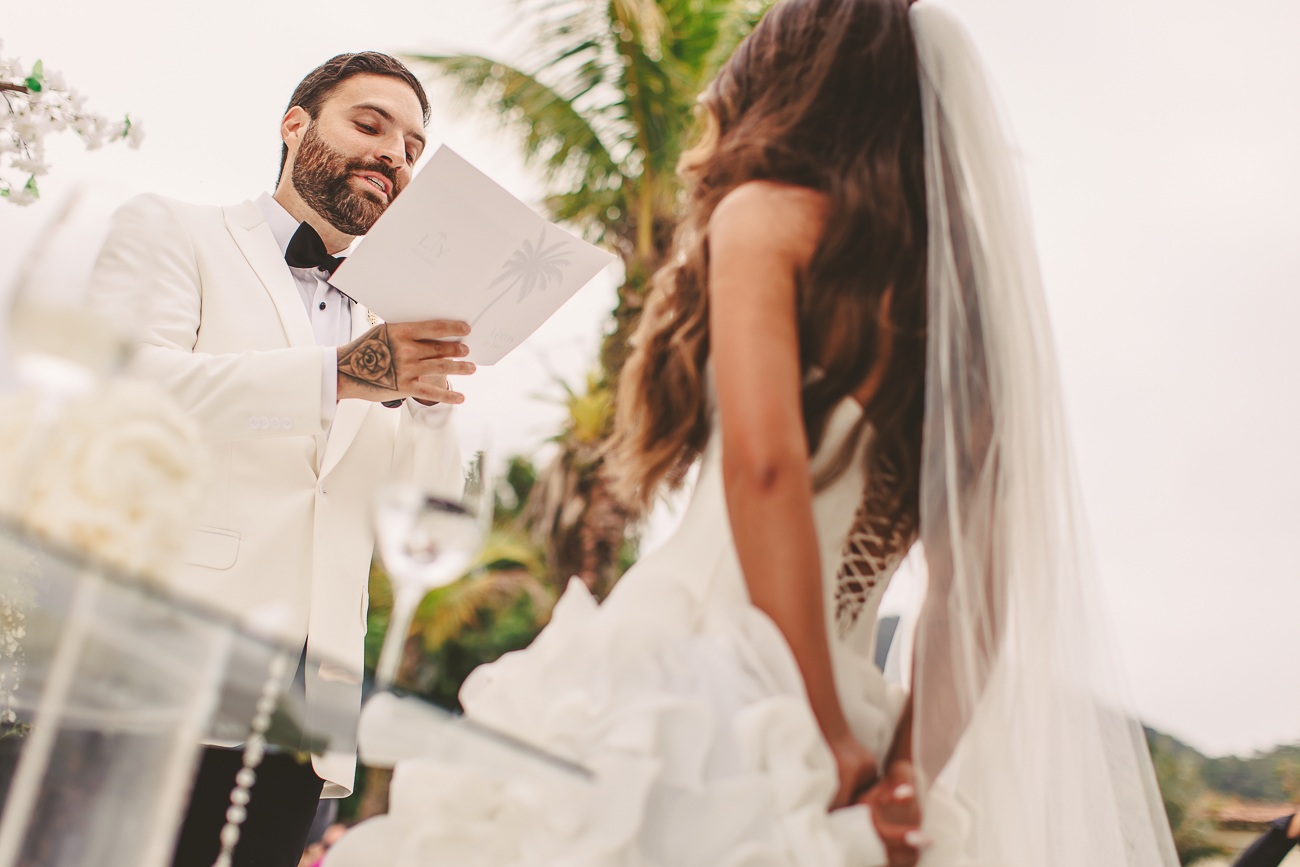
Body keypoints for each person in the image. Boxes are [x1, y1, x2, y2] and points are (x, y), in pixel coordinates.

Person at [325, 2, 1180, 866]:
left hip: (692, 682)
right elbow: (976, 587)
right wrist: (908, 771)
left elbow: (766, 472)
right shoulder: (963, 309)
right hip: (862, 711)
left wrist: (816, 717)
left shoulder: (767, 213)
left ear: (792, 81)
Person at [87, 53, 472, 867]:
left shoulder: (394, 325)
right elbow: (125, 392)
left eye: (410, 150)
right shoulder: (172, 228)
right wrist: (340, 375)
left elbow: (423, 517)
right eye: (368, 125)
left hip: (306, 718)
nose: (391, 157)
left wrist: (434, 408)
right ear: (295, 126)